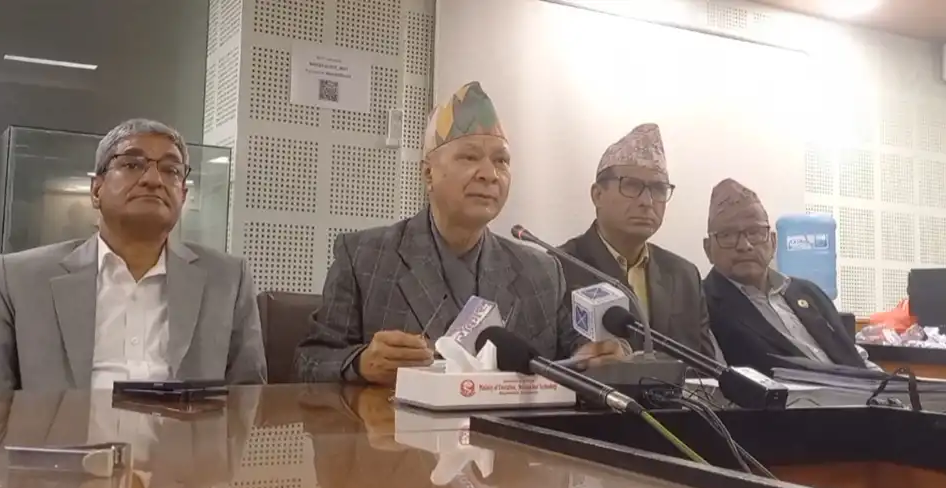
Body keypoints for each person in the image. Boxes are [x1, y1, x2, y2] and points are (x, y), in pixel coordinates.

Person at [298, 81, 626, 385]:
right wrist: (360, 363)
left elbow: (576, 352)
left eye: (501, 161)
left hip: (507, 429)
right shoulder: (364, 257)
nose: (490, 174)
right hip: (394, 428)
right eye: (469, 157)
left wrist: (599, 356)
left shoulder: (540, 271)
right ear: (428, 173)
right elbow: (308, 361)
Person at [0, 118, 266, 401]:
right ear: (96, 190)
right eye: (132, 164)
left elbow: (249, 399)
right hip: (62, 444)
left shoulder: (228, 280)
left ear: (183, 196)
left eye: (171, 170)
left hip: (186, 443)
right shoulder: (19, 279)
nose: (153, 179)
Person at [560, 124, 720, 358]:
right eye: (631, 185)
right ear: (597, 195)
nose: (647, 201)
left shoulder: (684, 275)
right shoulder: (559, 268)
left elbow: (706, 368)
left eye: (658, 189)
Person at [702, 178, 864, 374]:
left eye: (755, 232)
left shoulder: (808, 291)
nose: (745, 245)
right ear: (708, 249)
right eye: (727, 235)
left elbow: (852, 355)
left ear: (773, 242)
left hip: (865, 388)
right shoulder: (701, 306)